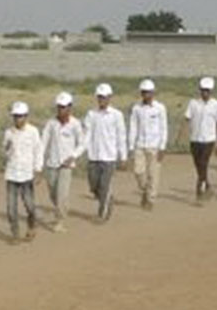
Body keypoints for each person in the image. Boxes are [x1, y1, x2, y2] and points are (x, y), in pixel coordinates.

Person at [39, 92, 88, 230]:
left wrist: (73, 156)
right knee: (54, 194)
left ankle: (59, 221)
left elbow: (82, 143)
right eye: (59, 107)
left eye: (64, 107)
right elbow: (43, 142)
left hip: (66, 165)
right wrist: (39, 161)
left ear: (70, 107)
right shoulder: (51, 124)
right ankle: (62, 207)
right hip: (52, 164)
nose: (61, 110)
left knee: (62, 193)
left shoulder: (75, 124)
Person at [82, 83, 128, 222]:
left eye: (104, 97)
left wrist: (123, 156)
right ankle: (107, 198)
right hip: (93, 156)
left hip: (109, 157)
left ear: (110, 98)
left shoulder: (116, 115)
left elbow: (121, 136)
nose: (101, 100)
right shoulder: (91, 114)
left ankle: (102, 214)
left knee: (104, 185)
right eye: (99, 97)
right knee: (93, 186)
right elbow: (86, 134)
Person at [0, 101, 44, 241]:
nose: (18, 119)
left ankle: (31, 226)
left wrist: (38, 170)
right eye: (15, 116)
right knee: (11, 208)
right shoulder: (9, 132)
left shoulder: (33, 132)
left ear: (26, 116)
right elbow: (4, 151)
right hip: (12, 174)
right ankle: (15, 233)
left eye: (20, 116)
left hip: (26, 175)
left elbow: (38, 151)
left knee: (30, 205)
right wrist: (6, 149)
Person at [129, 79, 168, 210]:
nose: (146, 95)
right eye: (144, 92)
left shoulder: (160, 108)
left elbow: (164, 128)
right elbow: (133, 127)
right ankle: (145, 190)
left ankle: (150, 199)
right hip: (140, 145)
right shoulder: (136, 108)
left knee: (153, 174)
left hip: (154, 146)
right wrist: (130, 146)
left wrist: (162, 147)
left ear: (153, 93)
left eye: (148, 93)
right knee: (138, 171)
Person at [186, 76, 217, 201]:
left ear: (211, 92)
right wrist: (181, 136)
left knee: (203, 163)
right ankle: (207, 185)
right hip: (195, 139)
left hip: (209, 140)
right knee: (198, 166)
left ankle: (199, 191)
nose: (205, 93)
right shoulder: (193, 103)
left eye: (207, 91)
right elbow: (187, 119)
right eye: (203, 90)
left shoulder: (216, 105)